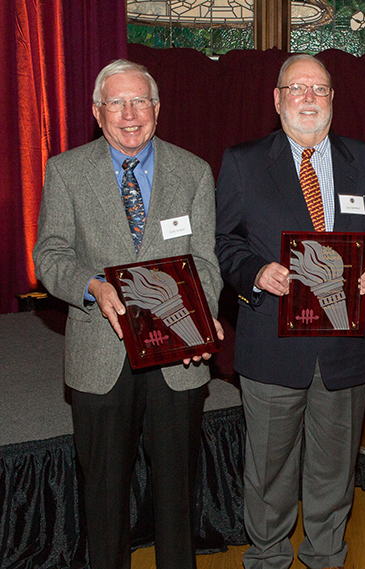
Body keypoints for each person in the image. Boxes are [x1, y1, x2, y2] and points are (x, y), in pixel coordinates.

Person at [214, 54, 365, 569]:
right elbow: (224, 240)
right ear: (277, 99)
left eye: (319, 89)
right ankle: (269, 557)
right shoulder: (243, 161)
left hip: (344, 348)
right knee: (268, 470)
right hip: (273, 345)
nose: (308, 98)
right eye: (295, 88)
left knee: (333, 471)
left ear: (332, 100)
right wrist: (254, 271)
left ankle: (326, 556)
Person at [33, 59, 224, 569]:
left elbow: (205, 263)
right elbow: (50, 255)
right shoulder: (66, 171)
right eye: (116, 102)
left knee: (177, 495)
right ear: (98, 112)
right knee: (104, 496)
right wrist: (91, 285)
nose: (130, 113)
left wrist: (200, 319)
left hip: (176, 361)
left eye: (140, 101)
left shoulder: (194, 171)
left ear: (157, 109)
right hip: (101, 354)